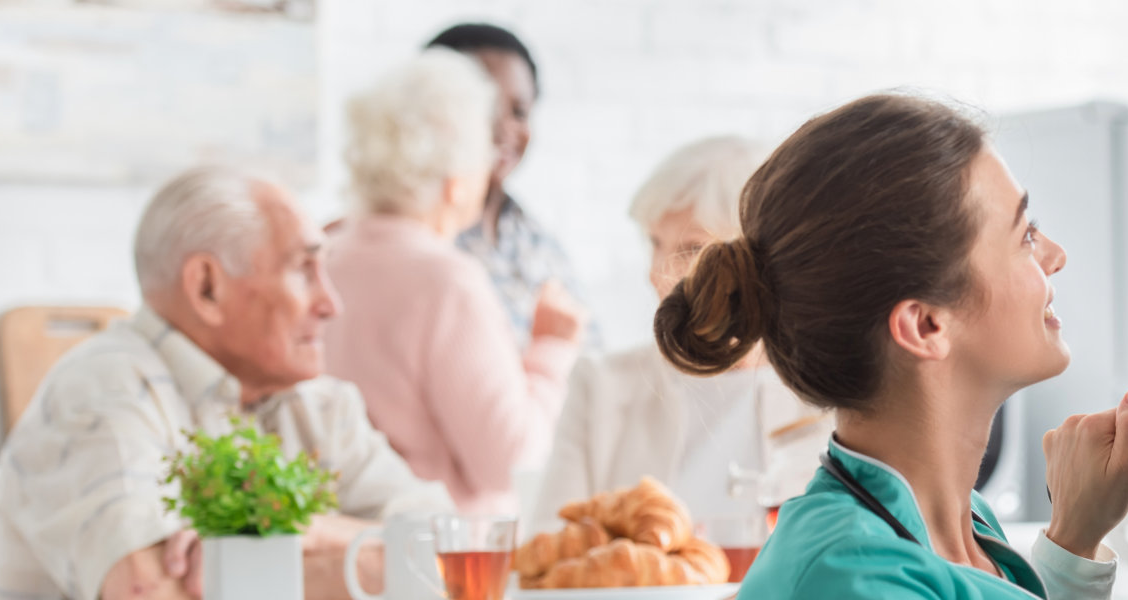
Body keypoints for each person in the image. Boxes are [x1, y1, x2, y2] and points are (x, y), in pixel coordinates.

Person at [655, 93, 1128, 599]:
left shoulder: (955, 526)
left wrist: (1072, 541)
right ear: (925, 326)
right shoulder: (852, 580)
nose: (1057, 255)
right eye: (1024, 234)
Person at [0, 165, 456, 600]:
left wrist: (305, 532)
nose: (331, 303)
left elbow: (454, 556)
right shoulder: (102, 391)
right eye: (303, 270)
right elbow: (154, 592)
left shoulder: (317, 404)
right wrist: (377, 563)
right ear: (206, 288)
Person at [529, 136, 831, 536]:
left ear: (755, 260)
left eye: (692, 249)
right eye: (656, 243)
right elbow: (546, 553)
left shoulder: (825, 398)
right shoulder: (600, 386)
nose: (657, 274)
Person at [322, 50, 575, 515]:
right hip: (437, 568)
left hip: (344, 555)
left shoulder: (322, 256)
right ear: (456, 182)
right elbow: (511, 464)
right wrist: (550, 350)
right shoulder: (445, 281)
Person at [425, 23, 599, 352]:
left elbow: (592, 357)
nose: (503, 127)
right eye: (484, 107)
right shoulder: (399, 236)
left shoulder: (538, 243)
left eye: (519, 111)